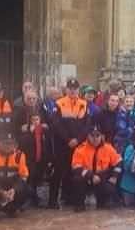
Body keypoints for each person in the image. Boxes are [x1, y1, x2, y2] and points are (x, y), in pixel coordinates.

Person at [50, 79, 89, 208]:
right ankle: (52, 200)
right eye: (70, 88)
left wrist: (77, 140)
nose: (72, 90)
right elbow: (56, 124)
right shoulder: (59, 103)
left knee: (76, 171)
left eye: (75, 88)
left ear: (78, 90)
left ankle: (71, 198)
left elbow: (87, 126)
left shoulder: (84, 104)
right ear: (66, 90)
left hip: (78, 145)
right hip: (62, 144)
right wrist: (68, 140)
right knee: (58, 171)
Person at [68, 126, 122, 212]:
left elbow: (118, 162)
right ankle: (80, 203)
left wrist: (114, 177)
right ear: (88, 136)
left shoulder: (108, 148)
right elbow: (76, 167)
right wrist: (91, 176)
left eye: (97, 135)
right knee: (76, 180)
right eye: (92, 135)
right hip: (86, 178)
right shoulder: (80, 149)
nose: (95, 138)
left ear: (101, 136)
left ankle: (103, 201)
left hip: (101, 179)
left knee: (109, 188)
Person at [16, 111, 50, 208]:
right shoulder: (25, 130)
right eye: (33, 120)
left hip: (42, 158)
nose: (35, 122)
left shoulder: (44, 130)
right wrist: (30, 132)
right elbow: (22, 143)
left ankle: (36, 198)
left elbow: (48, 144)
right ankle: (29, 199)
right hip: (30, 159)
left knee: (38, 178)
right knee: (30, 178)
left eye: (37, 119)